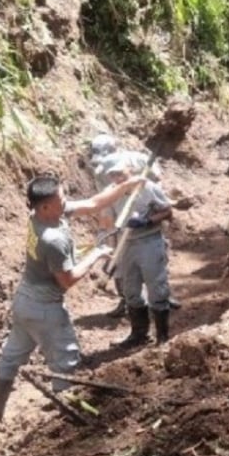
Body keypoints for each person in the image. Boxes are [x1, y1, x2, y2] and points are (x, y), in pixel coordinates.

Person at [0, 173, 146, 426]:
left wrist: (125, 186)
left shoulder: (42, 215)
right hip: (45, 310)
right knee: (65, 364)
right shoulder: (53, 240)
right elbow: (67, 281)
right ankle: (64, 429)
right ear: (46, 206)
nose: (66, 200)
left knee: (10, 357)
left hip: (24, 303)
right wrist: (96, 255)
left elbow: (94, 204)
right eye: (61, 199)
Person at [87, 134, 174, 318]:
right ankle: (126, 300)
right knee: (118, 261)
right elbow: (105, 205)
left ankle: (163, 295)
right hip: (118, 212)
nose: (113, 176)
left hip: (144, 206)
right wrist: (108, 234)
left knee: (155, 256)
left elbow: (158, 181)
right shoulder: (100, 171)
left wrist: (147, 196)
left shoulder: (138, 159)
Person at [104, 156, 175, 348]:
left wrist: (147, 221)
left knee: (156, 288)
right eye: (112, 174)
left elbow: (168, 211)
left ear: (130, 170)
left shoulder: (147, 187)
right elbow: (110, 225)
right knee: (130, 291)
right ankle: (139, 335)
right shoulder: (111, 193)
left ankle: (162, 337)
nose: (117, 178)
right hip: (126, 245)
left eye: (120, 173)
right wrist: (112, 254)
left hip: (149, 241)